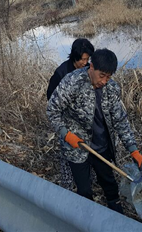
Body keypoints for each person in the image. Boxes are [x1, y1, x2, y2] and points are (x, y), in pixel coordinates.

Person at [47, 48, 142, 214]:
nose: (105, 81)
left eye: (109, 77)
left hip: (101, 147)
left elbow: (120, 120)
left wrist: (134, 150)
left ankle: (116, 215)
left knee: (109, 184)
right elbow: (52, 110)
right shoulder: (72, 82)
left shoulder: (112, 89)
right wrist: (65, 133)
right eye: (102, 76)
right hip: (77, 148)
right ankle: (89, 219)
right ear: (91, 67)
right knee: (84, 190)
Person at [47, 38, 94, 190]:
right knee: (67, 153)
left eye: (88, 59)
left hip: (83, 122)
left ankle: (87, 180)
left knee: (86, 152)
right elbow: (51, 100)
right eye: (83, 59)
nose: (85, 62)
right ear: (74, 56)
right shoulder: (61, 73)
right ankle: (67, 186)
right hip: (66, 122)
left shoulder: (88, 70)